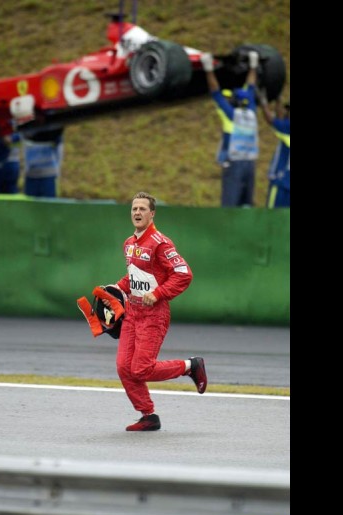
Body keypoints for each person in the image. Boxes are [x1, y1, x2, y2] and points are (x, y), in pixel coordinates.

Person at [102, 191, 208, 431]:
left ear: (152, 213)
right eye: (134, 209)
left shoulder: (161, 243)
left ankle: (191, 366)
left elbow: (184, 274)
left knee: (141, 368)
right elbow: (134, 278)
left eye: (142, 209)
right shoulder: (129, 243)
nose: (137, 212)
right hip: (132, 314)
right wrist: (115, 288)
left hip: (154, 315)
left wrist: (158, 293)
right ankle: (148, 415)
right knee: (124, 367)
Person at [200, 50, 260, 207]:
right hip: (250, 164)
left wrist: (208, 69)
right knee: (247, 204)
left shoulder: (231, 115)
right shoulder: (252, 113)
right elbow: (251, 87)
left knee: (229, 205)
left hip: (234, 164)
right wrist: (253, 66)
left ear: (234, 101)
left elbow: (216, 93)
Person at [258, 93, 290, 208]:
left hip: (281, 183)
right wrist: (278, 100)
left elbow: (271, 120)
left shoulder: (287, 128)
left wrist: (263, 102)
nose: (286, 113)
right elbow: (280, 119)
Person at [22, 131, 63, 198]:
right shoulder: (29, 128)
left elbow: (59, 150)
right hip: (31, 175)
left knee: (48, 206)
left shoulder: (54, 130)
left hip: (48, 175)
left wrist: (57, 172)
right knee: (30, 206)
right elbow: (25, 147)